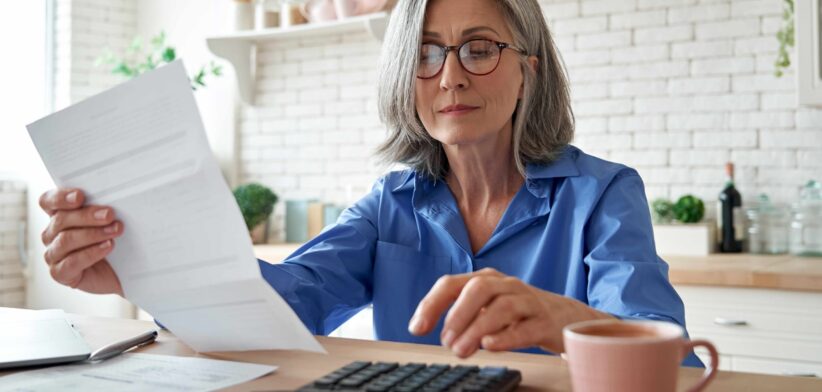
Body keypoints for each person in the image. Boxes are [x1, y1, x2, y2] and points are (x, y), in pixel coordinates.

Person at [38, 0, 702, 366]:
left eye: (479, 48)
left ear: (527, 69)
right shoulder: (392, 204)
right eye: (424, 55)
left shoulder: (603, 195)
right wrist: (136, 268)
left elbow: (677, 362)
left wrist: (563, 321)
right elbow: (281, 304)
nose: (449, 78)